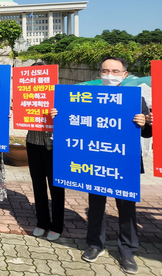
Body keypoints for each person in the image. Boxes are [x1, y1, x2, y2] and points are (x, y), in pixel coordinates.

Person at [51, 57, 151, 274]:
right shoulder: (87, 97)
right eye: (105, 71)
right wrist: (58, 116)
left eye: (115, 71)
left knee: (126, 207)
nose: (109, 75)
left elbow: (148, 131)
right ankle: (95, 245)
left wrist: (145, 123)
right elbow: (73, 121)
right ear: (100, 73)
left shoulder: (135, 99)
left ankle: (127, 251)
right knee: (96, 205)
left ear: (125, 74)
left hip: (123, 161)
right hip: (95, 159)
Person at [26, 62, 65, 242]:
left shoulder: (59, 95)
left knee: (56, 187)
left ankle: (57, 225)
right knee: (38, 184)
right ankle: (42, 222)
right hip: (32, 142)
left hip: (53, 145)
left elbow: (70, 117)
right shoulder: (24, 94)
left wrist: (59, 113)